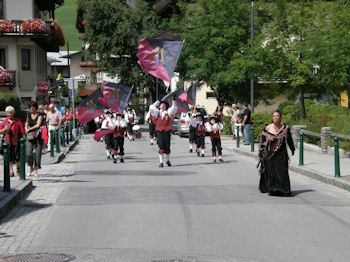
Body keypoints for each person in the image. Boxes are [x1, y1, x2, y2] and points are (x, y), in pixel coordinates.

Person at [258, 110, 295, 196]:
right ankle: (273, 188)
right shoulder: (267, 128)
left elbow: (289, 139)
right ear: (272, 118)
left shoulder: (285, 128)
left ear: (280, 117)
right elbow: (262, 143)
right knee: (271, 171)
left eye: (277, 116)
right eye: (274, 116)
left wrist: (292, 149)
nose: (276, 117)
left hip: (282, 153)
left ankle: (283, 189)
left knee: (282, 171)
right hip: (270, 154)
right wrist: (261, 154)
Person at [149, 100, 177, 167]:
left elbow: (173, 108)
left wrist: (173, 101)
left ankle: (167, 160)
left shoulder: (168, 112)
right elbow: (151, 107)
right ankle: (161, 162)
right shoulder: (157, 113)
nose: (163, 105)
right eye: (161, 104)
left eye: (164, 105)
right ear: (159, 106)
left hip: (167, 131)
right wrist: (156, 102)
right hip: (159, 131)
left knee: (167, 146)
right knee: (161, 146)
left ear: (166, 107)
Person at [0, 106, 25, 177]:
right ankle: (11, 171)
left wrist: (24, 140)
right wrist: (4, 129)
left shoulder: (17, 121)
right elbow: (0, 131)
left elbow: (22, 131)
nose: (10, 115)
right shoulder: (4, 122)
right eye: (8, 113)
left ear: (13, 113)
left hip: (16, 141)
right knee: (9, 157)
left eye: (11, 113)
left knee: (17, 157)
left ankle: (18, 169)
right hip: (8, 142)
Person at [25, 101, 43, 177]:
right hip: (30, 136)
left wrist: (29, 129)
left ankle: (35, 170)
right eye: (30, 107)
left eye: (33, 106)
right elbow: (27, 122)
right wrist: (26, 127)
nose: (31, 108)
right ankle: (31, 167)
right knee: (28, 153)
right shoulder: (29, 114)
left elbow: (38, 125)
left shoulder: (40, 115)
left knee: (37, 154)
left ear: (36, 107)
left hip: (38, 135)